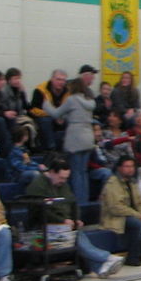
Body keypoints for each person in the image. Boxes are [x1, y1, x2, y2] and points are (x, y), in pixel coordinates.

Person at [23, 158, 124, 278]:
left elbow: (72, 203)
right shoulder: (37, 186)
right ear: (52, 172)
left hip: (64, 225)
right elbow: (39, 211)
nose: (63, 181)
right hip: (44, 226)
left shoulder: (63, 185)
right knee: (75, 235)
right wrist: (62, 221)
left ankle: (100, 268)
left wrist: (75, 218)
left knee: (75, 232)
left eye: (66, 178)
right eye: (61, 178)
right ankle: (106, 257)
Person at [98, 155, 141, 267]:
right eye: (127, 166)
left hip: (134, 214)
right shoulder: (112, 183)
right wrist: (138, 215)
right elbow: (116, 208)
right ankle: (132, 257)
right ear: (119, 168)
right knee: (138, 224)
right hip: (116, 217)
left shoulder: (132, 182)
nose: (130, 169)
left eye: (132, 166)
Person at [46, 77, 98, 205]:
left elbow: (55, 113)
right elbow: (76, 114)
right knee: (83, 172)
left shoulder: (72, 99)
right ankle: (84, 201)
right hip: (88, 137)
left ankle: (78, 203)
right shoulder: (89, 101)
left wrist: (45, 104)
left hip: (75, 139)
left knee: (75, 173)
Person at [30, 68, 69, 151]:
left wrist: (62, 116)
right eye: (58, 79)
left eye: (63, 80)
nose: (61, 82)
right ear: (52, 79)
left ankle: (70, 147)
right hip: (44, 116)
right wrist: (53, 115)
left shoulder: (68, 91)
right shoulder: (40, 90)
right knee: (46, 120)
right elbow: (33, 109)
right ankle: (51, 147)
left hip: (60, 116)